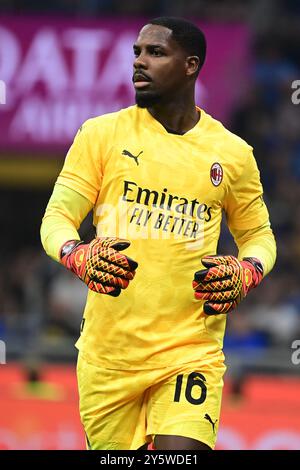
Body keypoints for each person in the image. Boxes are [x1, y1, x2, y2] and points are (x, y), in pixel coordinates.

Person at [40, 17, 276, 450]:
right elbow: (56, 219)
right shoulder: (101, 135)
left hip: (190, 350)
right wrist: (76, 254)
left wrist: (248, 270)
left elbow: (260, 235)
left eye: (155, 53)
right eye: (137, 53)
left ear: (191, 65)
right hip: (109, 356)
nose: (139, 63)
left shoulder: (233, 154)